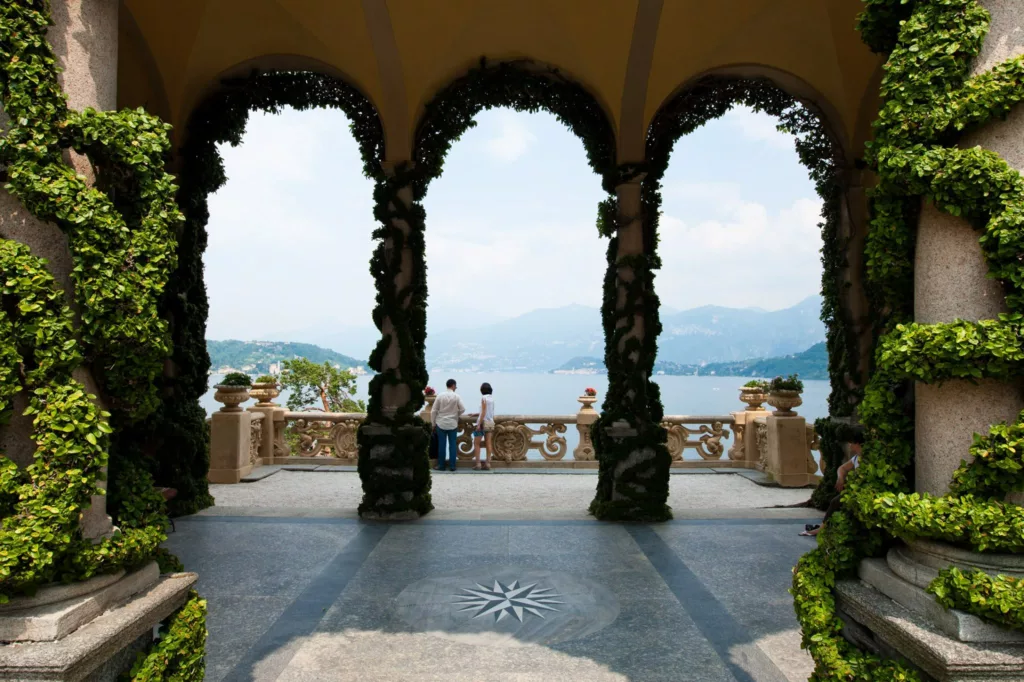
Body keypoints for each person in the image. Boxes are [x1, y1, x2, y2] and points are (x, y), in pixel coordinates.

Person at [800, 442, 861, 537]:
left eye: (852, 442)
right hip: (854, 490)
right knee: (835, 500)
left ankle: (822, 529)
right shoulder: (856, 458)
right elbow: (842, 468)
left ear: (858, 444)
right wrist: (840, 478)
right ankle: (825, 527)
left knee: (835, 502)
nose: (849, 444)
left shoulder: (867, 459)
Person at [430, 378, 465, 472]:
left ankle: (441, 465)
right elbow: (463, 409)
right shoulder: (457, 396)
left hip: (441, 423)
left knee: (442, 445)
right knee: (452, 445)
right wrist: (456, 415)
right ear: (453, 385)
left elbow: (434, 411)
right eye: (455, 386)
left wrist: (433, 423)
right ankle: (452, 466)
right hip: (453, 423)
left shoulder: (440, 396)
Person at [470, 383, 495, 471]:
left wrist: (479, 424)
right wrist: (477, 413)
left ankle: (478, 464)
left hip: (482, 423)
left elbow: (484, 412)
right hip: (490, 422)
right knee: (488, 443)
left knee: (476, 443)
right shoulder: (491, 398)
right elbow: (489, 411)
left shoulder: (483, 398)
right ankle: (488, 463)